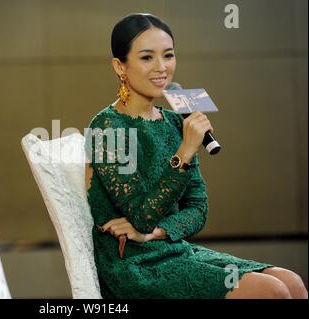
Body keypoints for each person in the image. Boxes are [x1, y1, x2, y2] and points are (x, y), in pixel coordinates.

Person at [84, 13, 307, 299]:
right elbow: (140, 215)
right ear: (120, 66)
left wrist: (156, 233)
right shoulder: (108, 127)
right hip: (133, 266)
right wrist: (185, 152)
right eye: (147, 58)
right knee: (271, 291)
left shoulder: (176, 121)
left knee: (292, 282)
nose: (162, 68)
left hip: (175, 249)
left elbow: (198, 209)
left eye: (168, 55)